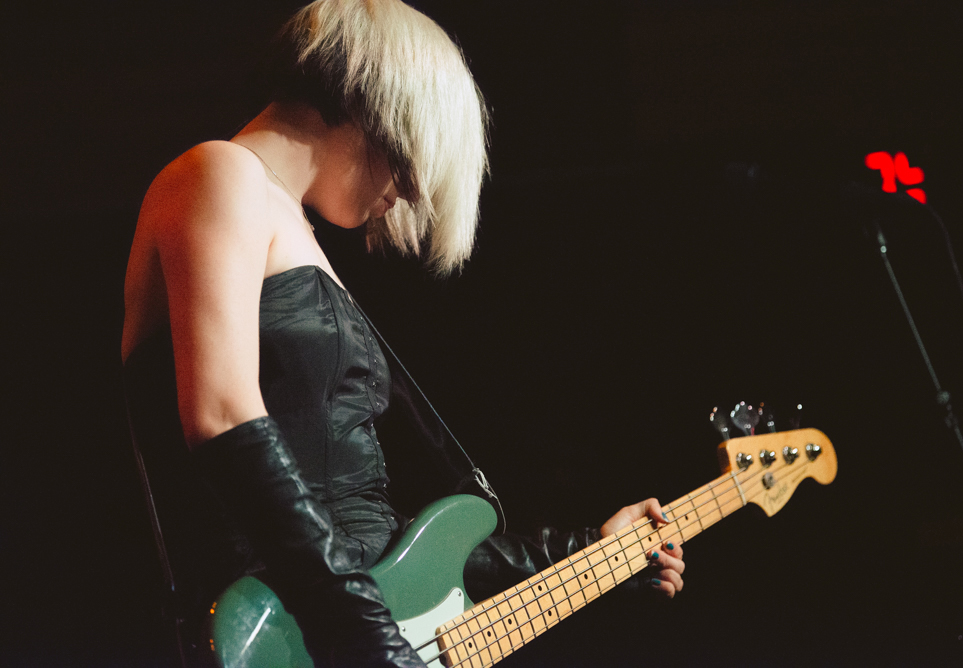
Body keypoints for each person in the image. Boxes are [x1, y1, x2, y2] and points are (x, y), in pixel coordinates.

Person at [121, 1, 685, 666]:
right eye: (418, 162)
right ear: (382, 102)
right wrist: (368, 639)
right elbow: (221, 416)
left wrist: (589, 552)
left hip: (336, 623)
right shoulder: (220, 172)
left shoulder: (288, 225)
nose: (413, 194)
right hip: (282, 630)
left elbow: (380, 539)